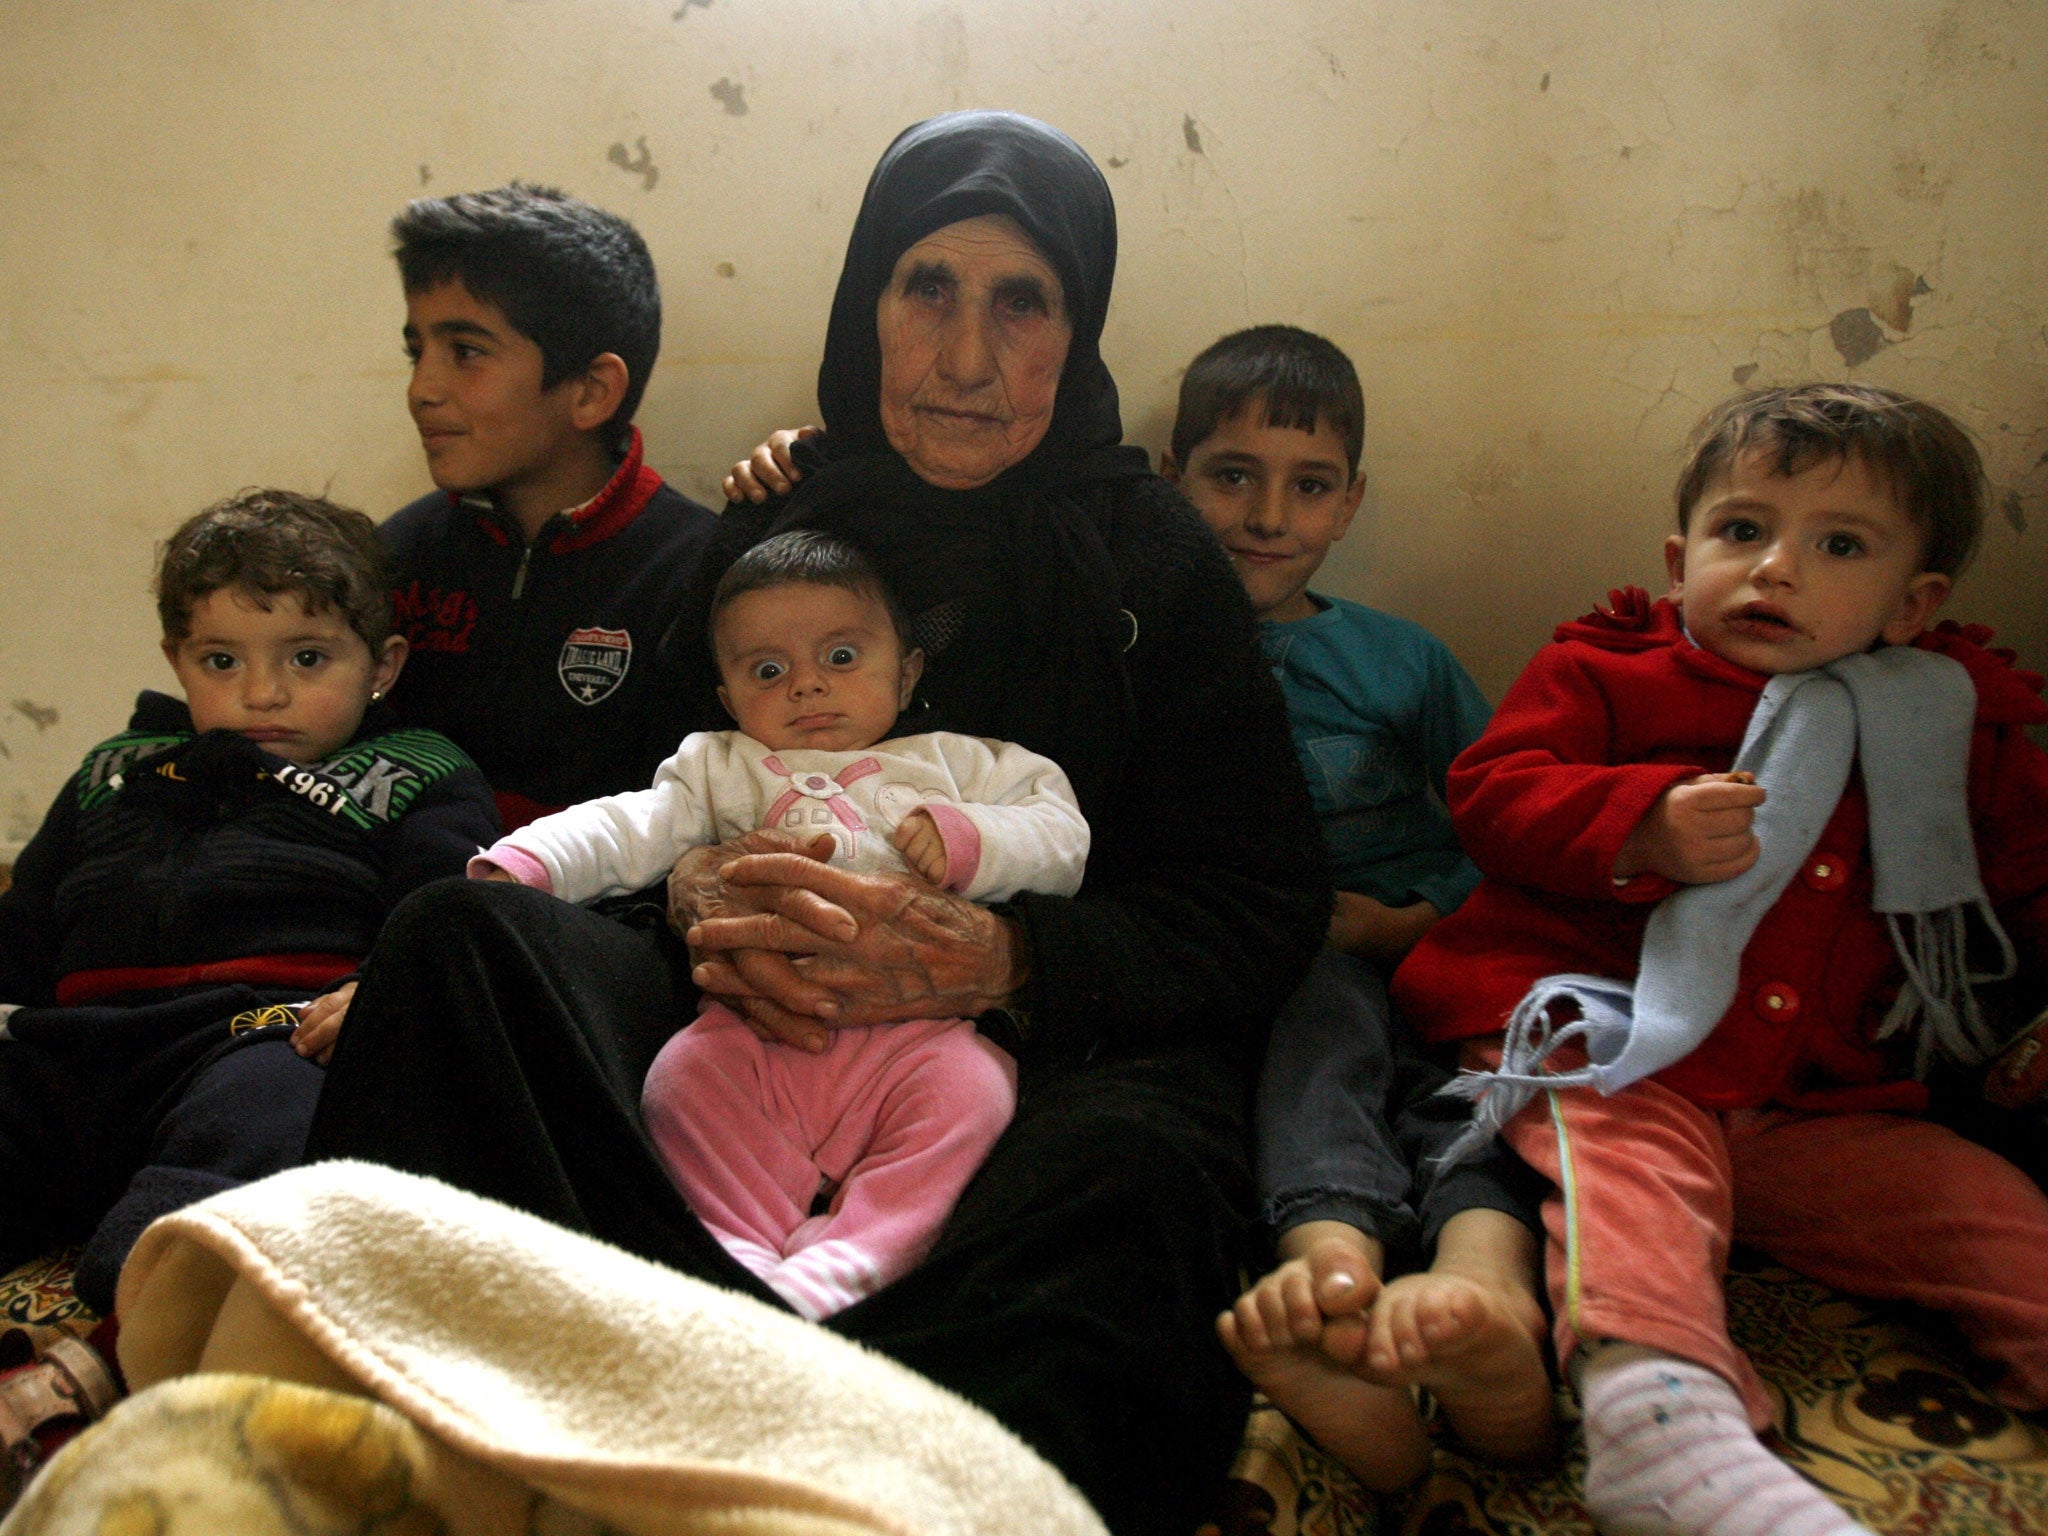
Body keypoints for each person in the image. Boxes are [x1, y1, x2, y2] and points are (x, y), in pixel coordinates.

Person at [304, 111, 1328, 1536]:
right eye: (928, 291)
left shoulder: (1152, 558)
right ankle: (618, 1398)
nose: (968, 357)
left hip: (1020, 1061)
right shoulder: (784, 516)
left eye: (1021, 302)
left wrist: (1008, 964)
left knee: (1142, 1184)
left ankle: (825, 1457)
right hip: (738, 1029)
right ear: (867, 307)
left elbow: (1259, 900)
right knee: (459, 945)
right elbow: (653, 793)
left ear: (1075, 327)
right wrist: (696, 895)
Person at [1392, 384, 2048, 1536]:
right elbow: (1488, 795)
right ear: (1678, 553)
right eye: (1740, 531)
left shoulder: (1955, 720)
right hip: (1623, 1049)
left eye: (1836, 545)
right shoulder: (1604, 670)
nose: (1774, 568)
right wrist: (1635, 824)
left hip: (1823, 1102)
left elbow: (2027, 877)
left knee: (1988, 1211)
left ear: (1913, 602)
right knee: (1627, 1191)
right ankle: (1662, 1429)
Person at [472, 530, 1088, 1319]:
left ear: (906, 674)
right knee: (681, 1086)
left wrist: (976, 840)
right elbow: (629, 826)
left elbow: (1062, 834)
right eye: (769, 670)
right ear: (729, 698)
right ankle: (736, 1264)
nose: (806, 687)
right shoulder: (720, 767)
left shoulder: (959, 765)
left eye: (841, 657)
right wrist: (525, 865)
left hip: (920, 1034)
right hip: (753, 1026)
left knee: (975, 1097)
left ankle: (850, 1264)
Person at [0, 491, 495, 1467]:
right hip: (74, 1055)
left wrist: (384, 991)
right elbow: (23, 932)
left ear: (382, 665)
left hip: (260, 1037)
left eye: (306, 660)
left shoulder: (418, 769)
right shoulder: (113, 770)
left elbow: (444, 908)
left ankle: (107, 1358)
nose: (262, 694)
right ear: (179, 662)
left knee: (275, 1126)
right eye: (221, 662)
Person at [1156, 326, 1552, 1489]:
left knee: (1485, 1090)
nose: (1266, 515)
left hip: (1435, 951)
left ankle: (1483, 1296)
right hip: (1293, 966)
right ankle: (1332, 1276)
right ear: (1173, 479)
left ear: (1348, 504)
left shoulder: (1402, 663)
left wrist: (1413, 922)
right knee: (1315, 1036)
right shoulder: (1148, 655)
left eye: (1308, 485)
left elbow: (1507, 827)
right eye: (1230, 475)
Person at [377, 181, 717, 832]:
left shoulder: (698, 575)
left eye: (466, 352)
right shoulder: (393, 557)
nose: (422, 389)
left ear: (591, 391)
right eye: (416, 351)